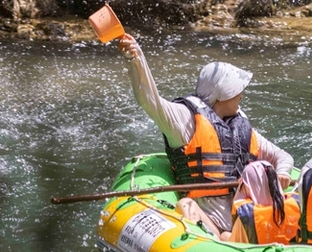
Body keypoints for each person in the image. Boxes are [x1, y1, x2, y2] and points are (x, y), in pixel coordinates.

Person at [115, 35, 294, 240]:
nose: (242, 95)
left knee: (235, 233)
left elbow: (283, 156)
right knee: (186, 206)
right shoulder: (185, 120)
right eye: (237, 90)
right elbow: (149, 101)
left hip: (244, 220)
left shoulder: (239, 125)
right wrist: (136, 59)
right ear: (222, 92)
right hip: (211, 223)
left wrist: (282, 172)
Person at [227, 160, 300, 245]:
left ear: (248, 186)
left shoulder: (247, 217)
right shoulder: (297, 206)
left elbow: (234, 245)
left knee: (224, 235)